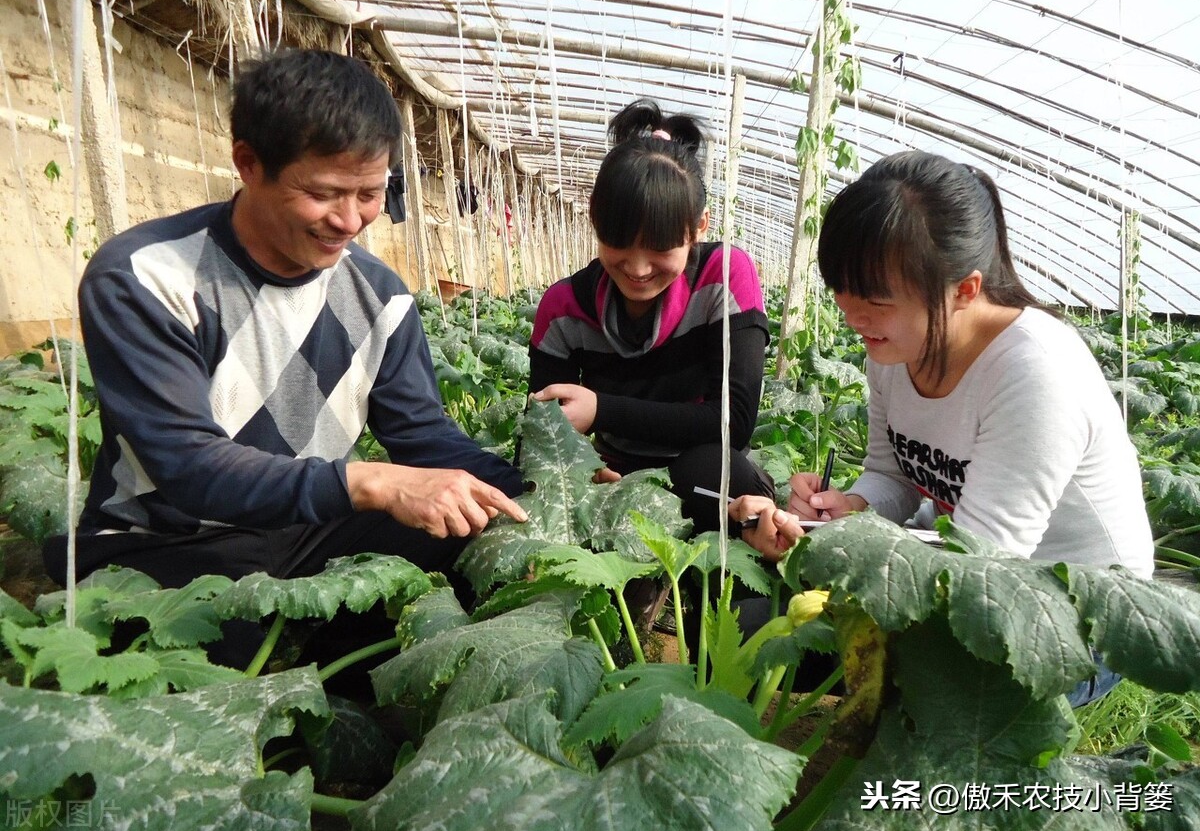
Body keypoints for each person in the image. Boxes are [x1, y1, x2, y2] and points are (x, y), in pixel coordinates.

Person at [43, 49, 526, 664]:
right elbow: (190, 469)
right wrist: (370, 480)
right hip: (166, 544)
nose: (349, 219)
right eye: (323, 193)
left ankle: (349, 677)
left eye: (370, 193)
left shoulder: (379, 294)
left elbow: (423, 435)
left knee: (481, 539)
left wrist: (536, 484)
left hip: (305, 533)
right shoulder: (144, 277)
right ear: (249, 163)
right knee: (221, 656)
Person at [729, 150, 1154, 705]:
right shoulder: (892, 348)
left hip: (1069, 621)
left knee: (913, 703)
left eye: (876, 302)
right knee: (748, 626)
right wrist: (841, 512)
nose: (854, 319)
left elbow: (982, 568)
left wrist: (828, 554)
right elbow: (894, 475)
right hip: (960, 574)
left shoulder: (1035, 373)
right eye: (842, 293)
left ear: (965, 290)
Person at [528, 99, 773, 533]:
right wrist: (577, 476)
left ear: (699, 228)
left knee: (712, 473)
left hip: (698, 477)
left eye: (661, 247)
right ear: (595, 222)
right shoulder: (563, 308)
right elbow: (541, 439)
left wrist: (601, 410)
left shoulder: (725, 277)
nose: (638, 268)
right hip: (612, 481)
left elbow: (732, 423)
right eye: (619, 242)